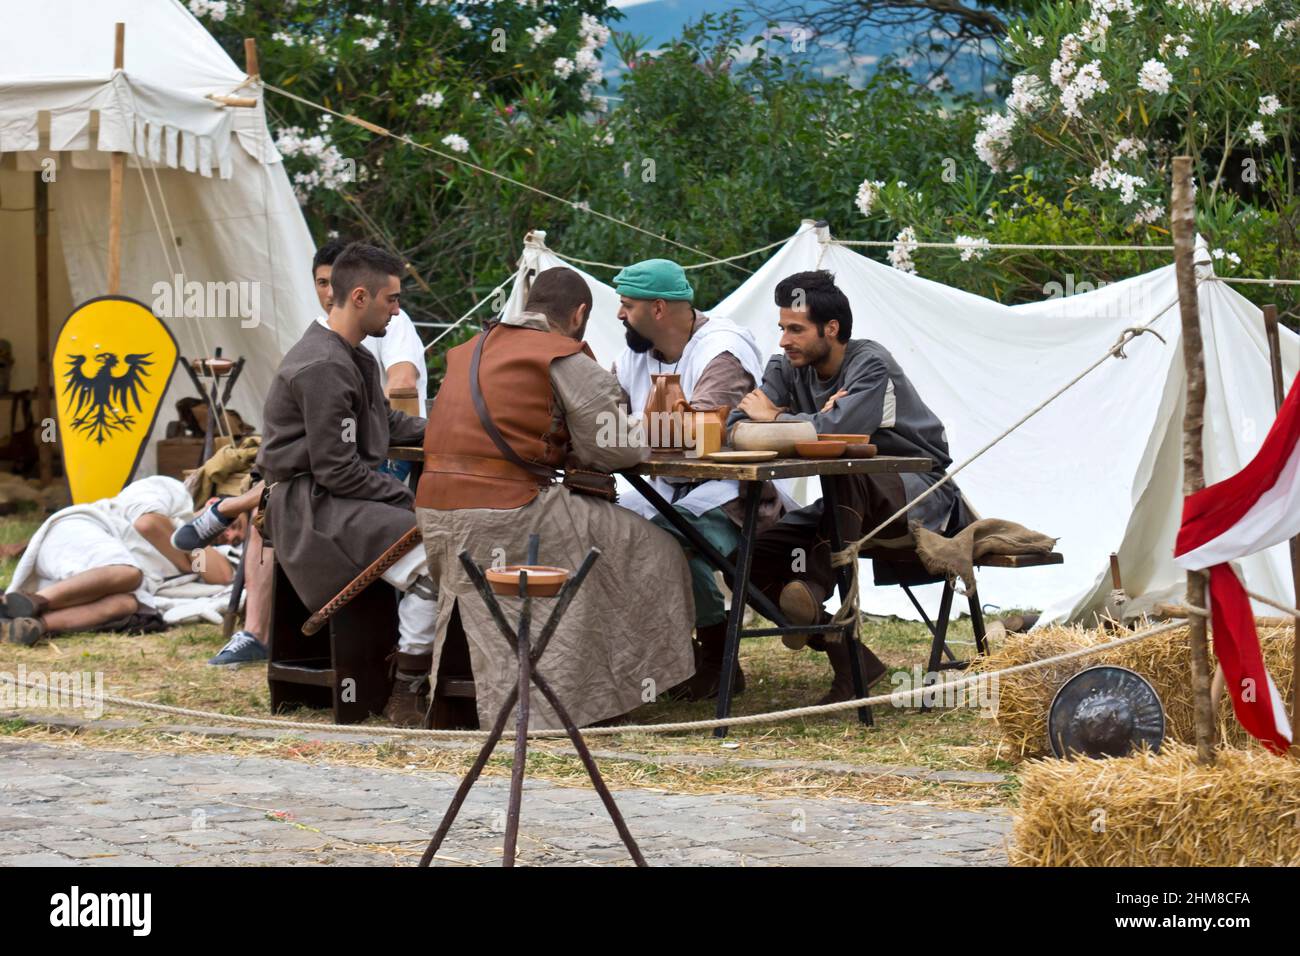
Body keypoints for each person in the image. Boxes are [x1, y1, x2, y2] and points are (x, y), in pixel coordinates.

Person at [415, 267, 695, 729]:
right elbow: (615, 448)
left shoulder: (467, 350)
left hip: (435, 510)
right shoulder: (560, 356)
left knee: (600, 535)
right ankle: (610, 692)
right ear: (580, 314)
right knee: (653, 548)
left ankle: (593, 685)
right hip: (508, 512)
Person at [727, 270, 971, 704]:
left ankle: (813, 584)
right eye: (782, 328)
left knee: (852, 467)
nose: (784, 340)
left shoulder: (870, 363)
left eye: (795, 329)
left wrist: (778, 421)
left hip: (918, 498)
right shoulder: (784, 367)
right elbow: (738, 426)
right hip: (846, 507)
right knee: (745, 559)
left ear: (832, 329)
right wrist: (803, 427)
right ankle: (849, 652)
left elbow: (841, 435)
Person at [258, 242, 435, 725]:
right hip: (312, 510)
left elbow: (386, 424)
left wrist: (454, 429)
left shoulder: (349, 355)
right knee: (433, 559)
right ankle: (406, 691)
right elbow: (337, 469)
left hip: (332, 498)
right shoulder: (325, 365)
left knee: (440, 535)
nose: (397, 312)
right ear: (360, 296)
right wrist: (408, 499)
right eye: (391, 300)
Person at [610, 258, 789, 699]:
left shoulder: (721, 350)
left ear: (657, 310)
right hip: (662, 485)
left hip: (731, 491)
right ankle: (666, 656)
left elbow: (700, 432)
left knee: (668, 542)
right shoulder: (633, 357)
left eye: (626, 305)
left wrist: (627, 429)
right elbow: (601, 415)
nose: (618, 315)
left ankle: (714, 654)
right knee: (611, 534)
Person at [2, 476, 243, 645]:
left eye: (235, 540)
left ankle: (31, 624)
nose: (229, 535)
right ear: (214, 505)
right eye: (234, 524)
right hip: (82, 529)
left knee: (126, 605)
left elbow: (221, 576)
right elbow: (145, 523)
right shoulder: (171, 492)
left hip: (104, 577)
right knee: (129, 574)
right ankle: (32, 601)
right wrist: (188, 546)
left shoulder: (204, 549)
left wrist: (199, 540)